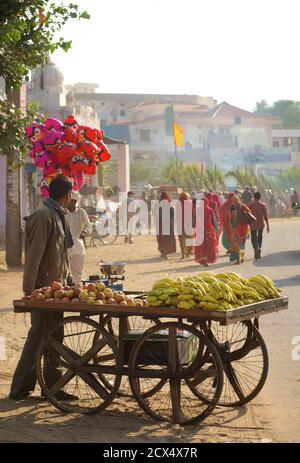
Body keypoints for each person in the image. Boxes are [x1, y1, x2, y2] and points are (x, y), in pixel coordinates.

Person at [9, 175, 76, 401]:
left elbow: (61, 256)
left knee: (56, 336)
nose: (72, 199)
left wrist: (69, 283)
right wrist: (30, 291)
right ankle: (20, 388)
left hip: (57, 289)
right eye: (71, 194)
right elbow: (34, 257)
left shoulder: (58, 214)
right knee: (37, 337)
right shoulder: (44, 216)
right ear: (66, 195)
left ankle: (53, 387)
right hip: (42, 290)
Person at [66, 190, 92, 284]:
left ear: (76, 202)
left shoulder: (81, 212)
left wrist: (85, 231)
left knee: (78, 274)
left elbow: (89, 226)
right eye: (69, 200)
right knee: (64, 274)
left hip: (78, 248)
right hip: (64, 249)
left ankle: (78, 293)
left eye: (73, 201)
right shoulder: (62, 212)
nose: (71, 203)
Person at [194, 197, 218, 266]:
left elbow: (195, 219)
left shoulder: (197, 209)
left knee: (201, 245)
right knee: (209, 245)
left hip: (199, 229)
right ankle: (208, 259)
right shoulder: (210, 210)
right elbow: (213, 220)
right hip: (209, 229)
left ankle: (203, 260)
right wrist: (215, 228)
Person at [227, 196, 251, 264]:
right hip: (243, 228)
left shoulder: (231, 207)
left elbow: (229, 218)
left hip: (235, 229)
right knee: (242, 244)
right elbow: (249, 212)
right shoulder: (243, 206)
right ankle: (241, 258)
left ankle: (238, 260)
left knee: (236, 243)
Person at [154, 191, 176, 259]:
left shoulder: (158, 204)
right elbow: (172, 214)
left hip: (160, 224)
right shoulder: (169, 204)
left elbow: (155, 213)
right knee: (167, 238)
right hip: (168, 224)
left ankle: (163, 252)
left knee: (162, 238)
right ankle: (166, 252)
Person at [249, 192, 270, 260]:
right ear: (260, 197)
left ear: (254, 197)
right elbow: (265, 216)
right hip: (261, 223)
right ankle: (258, 252)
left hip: (253, 223)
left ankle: (256, 248)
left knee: (253, 238)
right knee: (260, 237)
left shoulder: (250, 204)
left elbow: (247, 214)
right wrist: (267, 225)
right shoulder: (263, 205)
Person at [176, 191, 193, 259]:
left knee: (181, 239)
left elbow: (177, 214)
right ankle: (188, 253)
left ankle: (183, 254)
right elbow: (193, 212)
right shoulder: (189, 202)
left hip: (180, 224)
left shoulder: (178, 203)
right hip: (188, 223)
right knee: (188, 238)